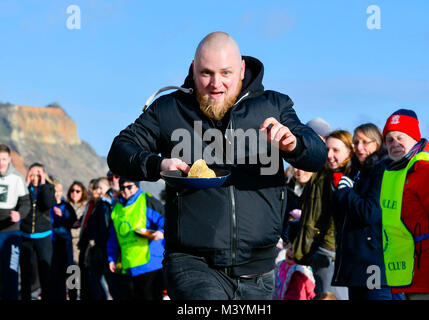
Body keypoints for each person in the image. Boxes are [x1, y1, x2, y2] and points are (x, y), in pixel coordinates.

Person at [107, 31, 327, 299]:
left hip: (259, 272)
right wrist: (158, 163)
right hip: (193, 264)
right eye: (206, 73)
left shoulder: (274, 106)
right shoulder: (169, 109)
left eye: (226, 73)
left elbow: (318, 157)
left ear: (242, 70)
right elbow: (119, 151)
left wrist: (294, 145)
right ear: (193, 69)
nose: (216, 83)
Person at [380, 109, 429, 300]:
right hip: (407, 278)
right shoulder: (395, 173)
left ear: (414, 138)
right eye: (389, 139)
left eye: (400, 137)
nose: (395, 144)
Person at [331, 124, 393, 300]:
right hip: (357, 267)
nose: (359, 147)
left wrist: (345, 192)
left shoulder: (382, 170)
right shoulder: (358, 171)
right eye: (356, 142)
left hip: (374, 266)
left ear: (378, 143)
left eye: (365, 142)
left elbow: (370, 212)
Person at [288, 126, 348, 300]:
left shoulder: (343, 177)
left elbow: (333, 217)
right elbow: (310, 215)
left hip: (331, 254)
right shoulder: (321, 173)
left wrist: (327, 248)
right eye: (327, 149)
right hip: (318, 252)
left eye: (335, 149)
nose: (329, 154)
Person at [107, 178, 165, 300]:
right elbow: (113, 237)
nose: (126, 190)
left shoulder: (147, 201)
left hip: (151, 265)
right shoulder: (116, 209)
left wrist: (160, 232)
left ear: (137, 186)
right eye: (122, 187)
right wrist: (111, 258)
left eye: (129, 187)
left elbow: (167, 221)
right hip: (128, 266)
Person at [20, 163, 56, 300]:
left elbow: (48, 203)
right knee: (26, 272)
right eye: (32, 174)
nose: (35, 177)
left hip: (43, 236)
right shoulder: (24, 188)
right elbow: (19, 203)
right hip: (26, 236)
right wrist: (25, 184)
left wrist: (42, 184)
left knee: (45, 271)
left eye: (38, 174)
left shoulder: (48, 188)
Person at [0, 144, 31, 300]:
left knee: (11, 271)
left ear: (9, 159)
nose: (1, 162)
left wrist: (19, 214)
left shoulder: (17, 178)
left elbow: (26, 203)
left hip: (11, 231)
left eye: (4, 159)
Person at [49, 180, 77, 300]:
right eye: (54, 192)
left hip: (65, 243)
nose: (57, 194)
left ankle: (73, 296)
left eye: (59, 191)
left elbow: (73, 221)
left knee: (71, 271)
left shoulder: (66, 206)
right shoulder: (48, 206)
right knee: (56, 273)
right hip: (52, 243)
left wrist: (63, 215)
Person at [67, 181, 89, 267]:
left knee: (76, 270)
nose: (74, 193)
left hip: (80, 244)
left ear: (83, 192)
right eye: (72, 190)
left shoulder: (86, 207)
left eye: (77, 191)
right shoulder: (65, 206)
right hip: (66, 244)